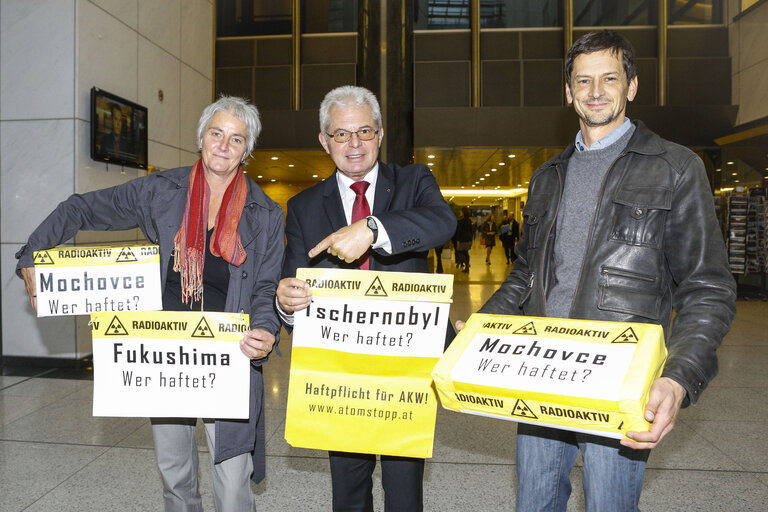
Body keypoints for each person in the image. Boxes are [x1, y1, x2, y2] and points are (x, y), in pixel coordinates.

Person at [467, 30, 736, 511]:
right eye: (583, 80)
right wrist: (480, 331)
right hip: (541, 370)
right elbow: (526, 272)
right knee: (534, 502)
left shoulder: (675, 167)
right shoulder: (549, 176)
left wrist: (678, 377)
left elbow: (707, 287)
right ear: (568, 92)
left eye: (609, 78)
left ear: (631, 85)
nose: (595, 91)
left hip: (620, 376)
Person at [16, 96, 285, 511]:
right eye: (216, 134)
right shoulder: (161, 191)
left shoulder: (264, 213)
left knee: (233, 482)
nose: (223, 146)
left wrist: (266, 330)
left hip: (229, 354)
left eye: (236, 139)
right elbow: (81, 209)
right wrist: (33, 252)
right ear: (201, 137)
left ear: (247, 151)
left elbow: (266, 287)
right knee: (175, 472)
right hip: (164, 352)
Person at [276, 85, 456, 512]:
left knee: (404, 487)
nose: (354, 144)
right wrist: (286, 302)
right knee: (348, 488)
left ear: (379, 135)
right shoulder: (303, 205)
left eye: (364, 132)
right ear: (324, 141)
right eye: (341, 134)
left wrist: (372, 229)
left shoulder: (413, 181)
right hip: (341, 371)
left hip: (405, 367)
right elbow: (292, 276)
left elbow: (442, 222)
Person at [454, 206, 473, 273]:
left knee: (460, 251)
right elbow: (471, 230)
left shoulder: (461, 222)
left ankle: (466, 264)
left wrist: (458, 240)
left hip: (463, 239)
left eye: (461, 212)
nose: (460, 212)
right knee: (465, 252)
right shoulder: (469, 221)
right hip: (469, 239)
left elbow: (459, 232)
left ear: (463, 213)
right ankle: (467, 265)